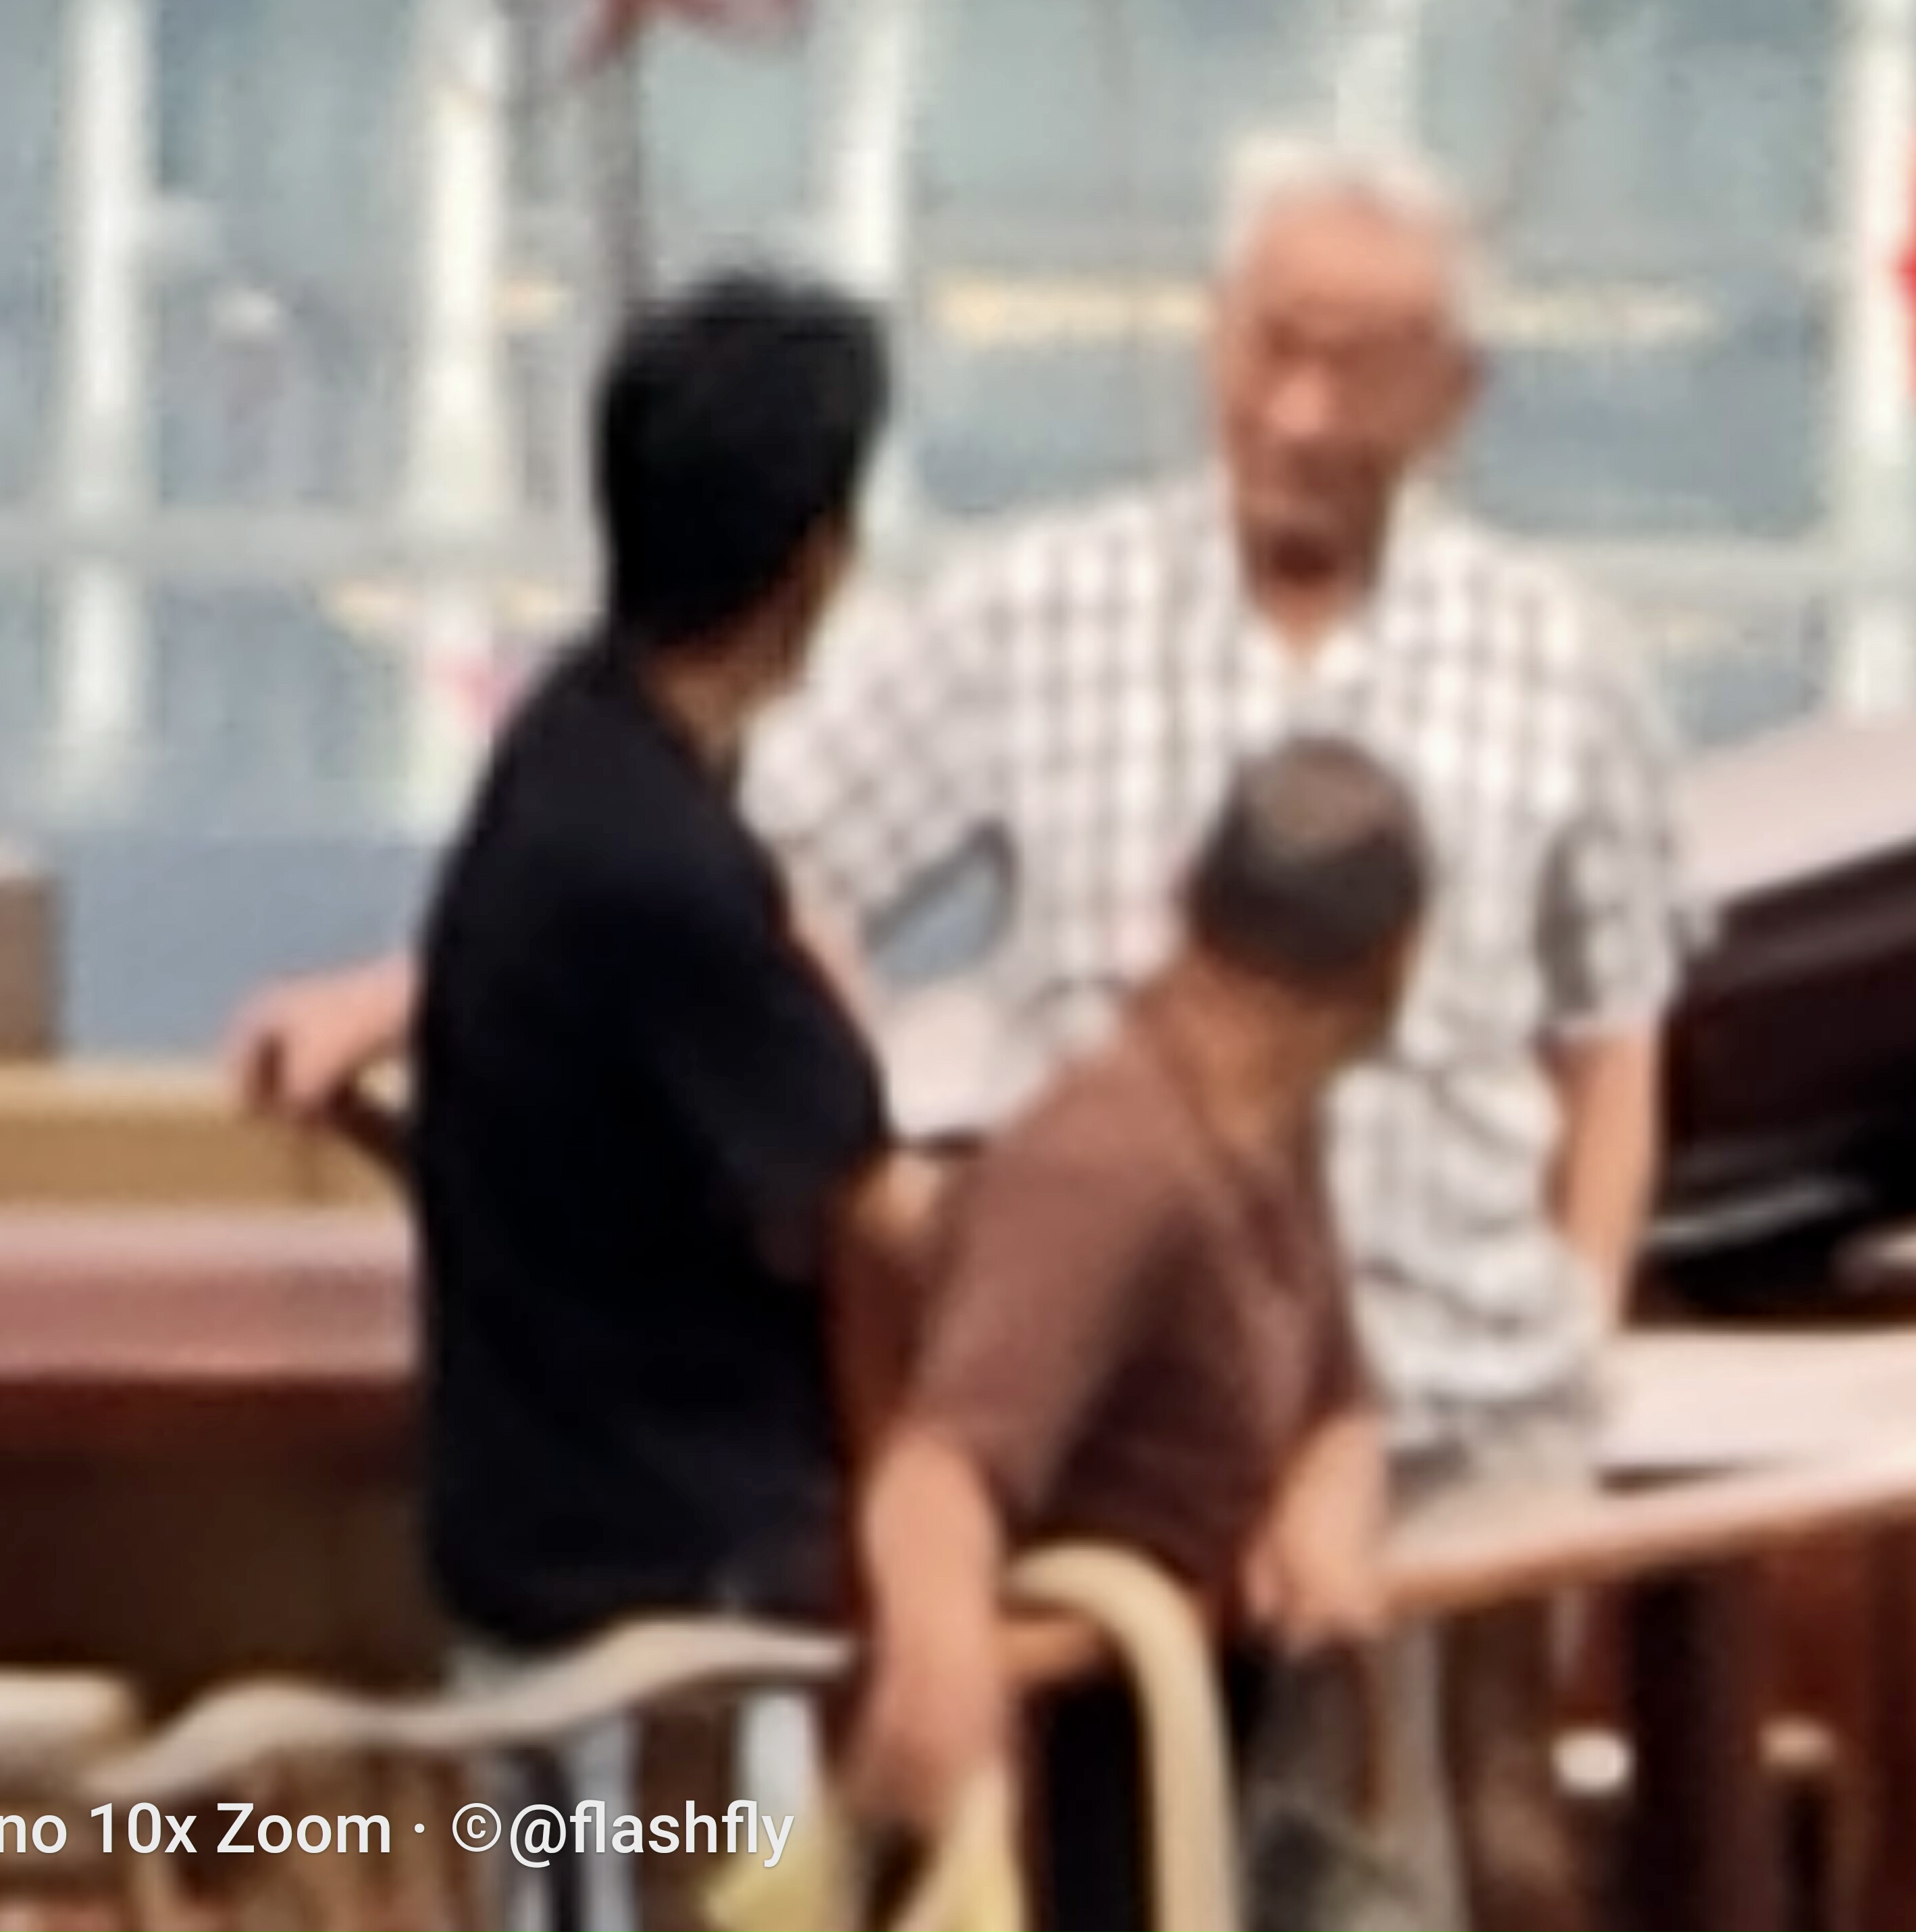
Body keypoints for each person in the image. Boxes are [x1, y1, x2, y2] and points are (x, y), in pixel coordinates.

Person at [232, 133, 1691, 1925]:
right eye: (1270, 347)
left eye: (1359, 365)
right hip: (1073, 1453)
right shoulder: (1024, 656)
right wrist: (420, 984)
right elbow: (762, 879)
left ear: (1455, 394)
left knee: (1498, 1851)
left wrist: (1563, 1346)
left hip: (1462, 1388)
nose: (1300, 411)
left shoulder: (1556, 666)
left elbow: (1615, 1030)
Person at [411, 269, 930, 1932]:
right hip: (650, 1606)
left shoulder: (571, 754)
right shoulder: (662, 866)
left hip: (544, 1537)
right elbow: (866, 1205)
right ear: (815, 560)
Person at [849, 735, 1426, 1931]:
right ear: (1396, 967)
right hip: (1085, 1768)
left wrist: (1323, 1500)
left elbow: (1341, 1393)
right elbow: (940, 1468)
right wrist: (946, 1703)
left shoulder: (1269, 1120)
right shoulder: (1105, 1161)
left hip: (1216, 1733)